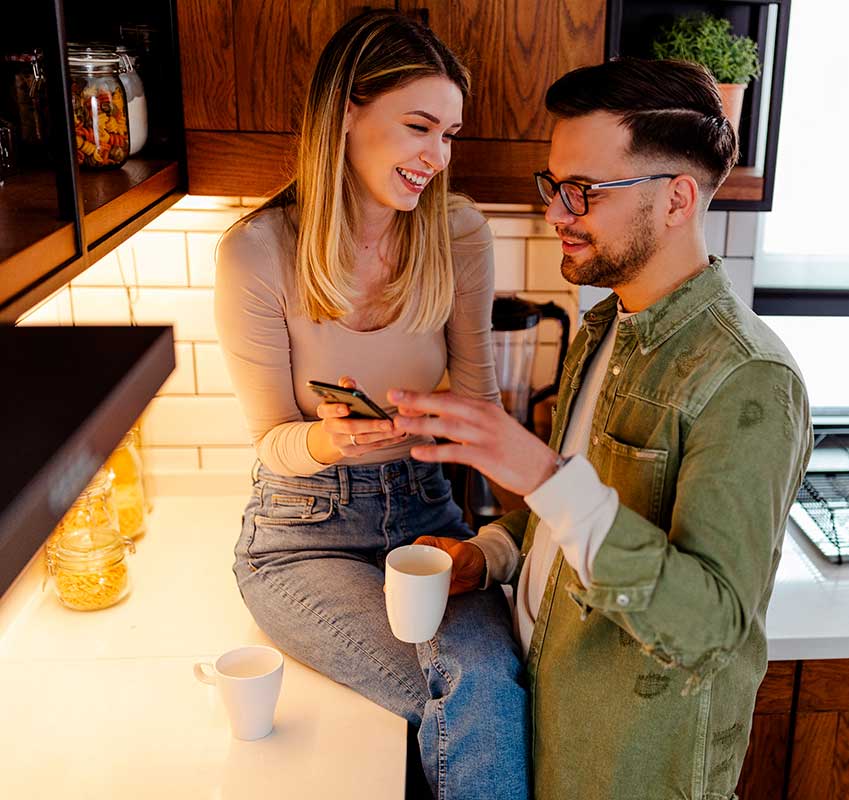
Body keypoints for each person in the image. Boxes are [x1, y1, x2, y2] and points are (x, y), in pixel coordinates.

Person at [390, 57, 813, 800]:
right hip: (543, 720)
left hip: (625, 768)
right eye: (554, 187)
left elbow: (710, 628)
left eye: (582, 191)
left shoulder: (749, 380)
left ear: (678, 199)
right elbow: (566, 526)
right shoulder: (602, 327)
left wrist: (543, 476)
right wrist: (488, 553)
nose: (557, 213)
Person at [213, 11, 528, 799]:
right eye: (419, 126)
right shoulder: (254, 251)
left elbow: (482, 402)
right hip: (300, 535)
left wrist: (527, 530)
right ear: (346, 112)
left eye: (449, 135)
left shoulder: (457, 233)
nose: (436, 156)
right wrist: (327, 442)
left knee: (493, 678)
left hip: (425, 514)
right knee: (461, 694)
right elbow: (268, 442)